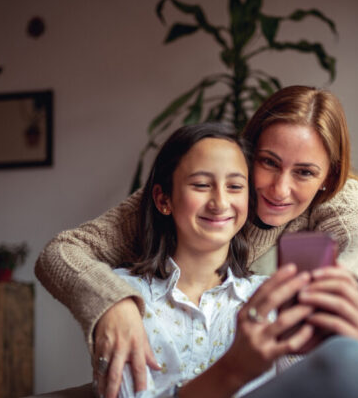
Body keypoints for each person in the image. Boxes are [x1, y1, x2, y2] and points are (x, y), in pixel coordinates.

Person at [36, 86, 358, 398]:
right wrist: (113, 303)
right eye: (268, 162)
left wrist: (334, 296)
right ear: (247, 155)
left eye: (305, 172)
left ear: (328, 177)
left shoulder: (334, 200)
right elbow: (62, 252)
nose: (280, 189)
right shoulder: (186, 191)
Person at [109, 122, 317, 397]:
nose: (220, 202)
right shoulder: (121, 297)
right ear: (163, 199)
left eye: (234, 186)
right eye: (202, 184)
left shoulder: (270, 297)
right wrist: (232, 370)